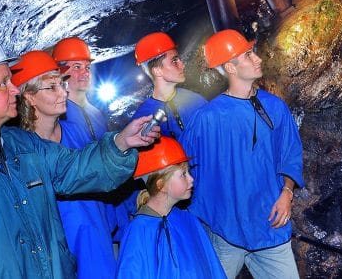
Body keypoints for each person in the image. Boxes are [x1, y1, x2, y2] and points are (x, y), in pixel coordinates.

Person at [0, 33, 159, 279]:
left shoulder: (24, 146)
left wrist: (121, 143)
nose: (15, 90)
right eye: (4, 83)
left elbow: (75, 168)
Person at [184, 29, 304, 279]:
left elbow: (290, 154)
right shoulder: (207, 118)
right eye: (248, 55)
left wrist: (287, 193)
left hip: (270, 226)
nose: (258, 59)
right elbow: (183, 167)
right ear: (230, 67)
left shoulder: (275, 107)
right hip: (226, 231)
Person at [12, 50, 121, 279]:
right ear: (29, 97)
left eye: (62, 84)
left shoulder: (77, 132)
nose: (64, 92)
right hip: (57, 257)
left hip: (97, 241)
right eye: (52, 87)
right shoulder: (19, 152)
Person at [115, 137, 226, 279]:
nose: (191, 179)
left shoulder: (188, 220)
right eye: (183, 174)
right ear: (161, 185)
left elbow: (211, 268)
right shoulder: (140, 231)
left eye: (189, 172)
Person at [131, 32, 206, 142]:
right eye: (174, 61)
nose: (182, 65)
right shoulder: (142, 119)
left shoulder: (196, 101)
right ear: (157, 71)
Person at [52, 36, 107, 138]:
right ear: (60, 72)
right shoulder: (53, 114)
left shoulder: (97, 114)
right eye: (77, 67)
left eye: (87, 67)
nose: (85, 72)